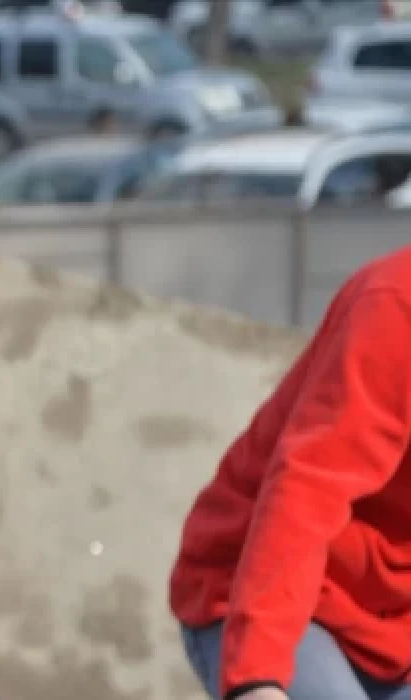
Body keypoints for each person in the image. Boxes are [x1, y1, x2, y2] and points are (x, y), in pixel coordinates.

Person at [169, 245, 411, 700]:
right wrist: (258, 678)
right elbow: (308, 492)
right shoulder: (396, 306)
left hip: (392, 624)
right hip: (268, 594)